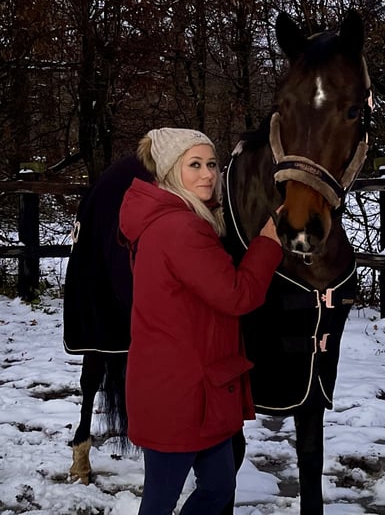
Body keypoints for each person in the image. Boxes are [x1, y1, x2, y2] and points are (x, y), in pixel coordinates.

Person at [118, 127, 283, 515]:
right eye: (194, 165)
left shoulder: (181, 219)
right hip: (180, 394)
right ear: (171, 171)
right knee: (160, 501)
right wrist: (269, 243)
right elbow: (237, 295)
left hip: (200, 388)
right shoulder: (180, 228)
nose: (208, 174)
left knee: (219, 486)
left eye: (212, 164)